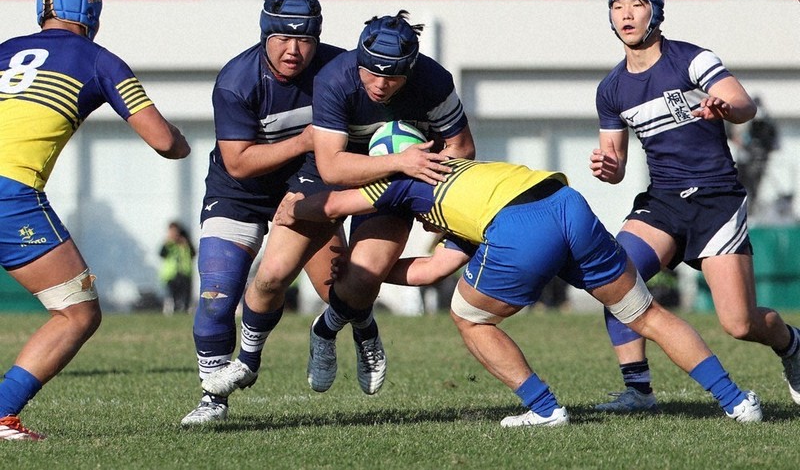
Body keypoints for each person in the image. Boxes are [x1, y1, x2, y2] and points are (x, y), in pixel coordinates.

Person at [274, 155, 763, 425]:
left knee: (470, 317)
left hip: (519, 225)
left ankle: (545, 410)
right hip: (566, 204)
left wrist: (291, 208)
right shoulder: (467, 175)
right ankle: (737, 401)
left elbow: (335, 203)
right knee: (646, 314)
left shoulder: (400, 181)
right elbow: (429, 269)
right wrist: (374, 274)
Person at [588, 0, 800, 413]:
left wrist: (725, 106)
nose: (626, 13)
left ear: (656, 11)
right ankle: (639, 392)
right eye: (617, 6)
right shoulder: (611, 89)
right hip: (663, 201)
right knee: (615, 280)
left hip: (716, 200)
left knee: (739, 323)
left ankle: (792, 344)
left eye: (636, 4)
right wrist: (606, 168)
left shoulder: (691, 59)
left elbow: (745, 105)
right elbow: (616, 164)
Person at [0, 0, 190, 440]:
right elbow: (164, 141)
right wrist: (188, 146)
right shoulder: (100, 60)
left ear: (43, 8)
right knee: (77, 313)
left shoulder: (4, 49)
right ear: (92, 15)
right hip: (9, 196)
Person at [180, 0, 348, 427]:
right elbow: (238, 163)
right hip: (239, 192)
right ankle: (213, 398)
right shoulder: (236, 81)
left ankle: (335, 332)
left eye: (305, 39)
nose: (293, 50)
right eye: (282, 38)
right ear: (264, 35)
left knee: (343, 290)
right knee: (216, 296)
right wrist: (305, 140)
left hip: (306, 186)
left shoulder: (341, 69)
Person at [301, 10, 474, 396]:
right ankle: (365, 327)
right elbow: (331, 166)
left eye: (392, 75)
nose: (380, 84)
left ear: (410, 69)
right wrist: (401, 159)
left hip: (395, 185)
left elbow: (462, 148)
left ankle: (325, 329)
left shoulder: (432, 80)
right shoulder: (335, 80)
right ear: (359, 60)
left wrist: (430, 189)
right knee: (322, 281)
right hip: (330, 179)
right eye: (372, 72)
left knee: (363, 277)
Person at [728, 96, 779, 213]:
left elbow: (773, 141)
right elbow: (733, 133)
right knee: (741, 183)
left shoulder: (767, 122)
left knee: (755, 186)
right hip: (743, 158)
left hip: (759, 159)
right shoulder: (744, 121)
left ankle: (752, 209)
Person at [159, 221, 196, 315]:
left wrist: (186, 243)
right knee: (173, 295)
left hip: (185, 272)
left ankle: (185, 311)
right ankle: (174, 311)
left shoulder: (185, 243)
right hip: (171, 274)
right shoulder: (168, 243)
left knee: (186, 295)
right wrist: (168, 243)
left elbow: (193, 253)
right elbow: (162, 254)